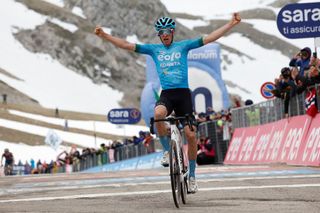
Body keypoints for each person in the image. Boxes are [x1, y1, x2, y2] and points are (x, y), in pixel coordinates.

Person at [94, 13, 241, 193]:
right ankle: (166, 151)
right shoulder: (154, 50)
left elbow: (209, 38)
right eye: (161, 32)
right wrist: (104, 35)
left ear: (172, 32)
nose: (164, 34)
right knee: (158, 115)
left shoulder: (183, 46)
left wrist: (231, 24)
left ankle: (193, 176)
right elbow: (126, 45)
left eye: (167, 31)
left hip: (184, 95)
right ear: (159, 35)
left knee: (191, 135)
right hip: (167, 95)